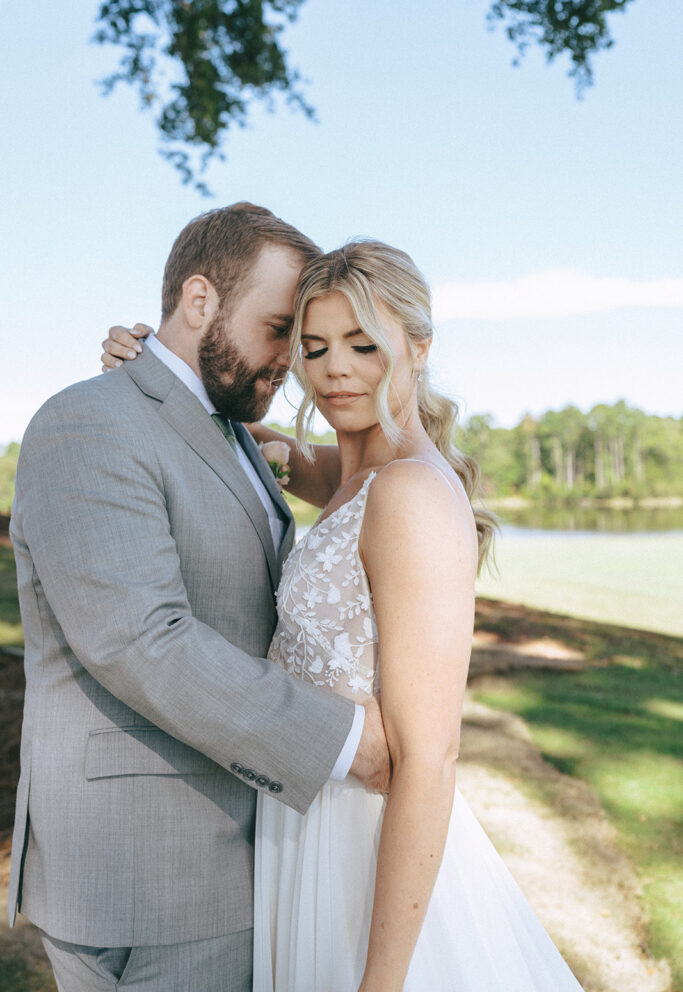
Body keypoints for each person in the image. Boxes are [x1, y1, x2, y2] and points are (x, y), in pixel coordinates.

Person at [104, 239, 585, 990]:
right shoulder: (349, 469)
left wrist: (381, 979)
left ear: (418, 348)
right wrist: (150, 370)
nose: (334, 371)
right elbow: (236, 444)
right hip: (303, 819)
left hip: (363, 849)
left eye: (364, 346)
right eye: (314, 346)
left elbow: (431, 757)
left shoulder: (411, 495)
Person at [9, 203, 389, 992]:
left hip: (231, 857)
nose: (297, 360)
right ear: (199, 301)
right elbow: (140, 641)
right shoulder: (88, 422)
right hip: (148, 872)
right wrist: (348, 742)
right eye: (281, 328)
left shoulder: (234, 433)